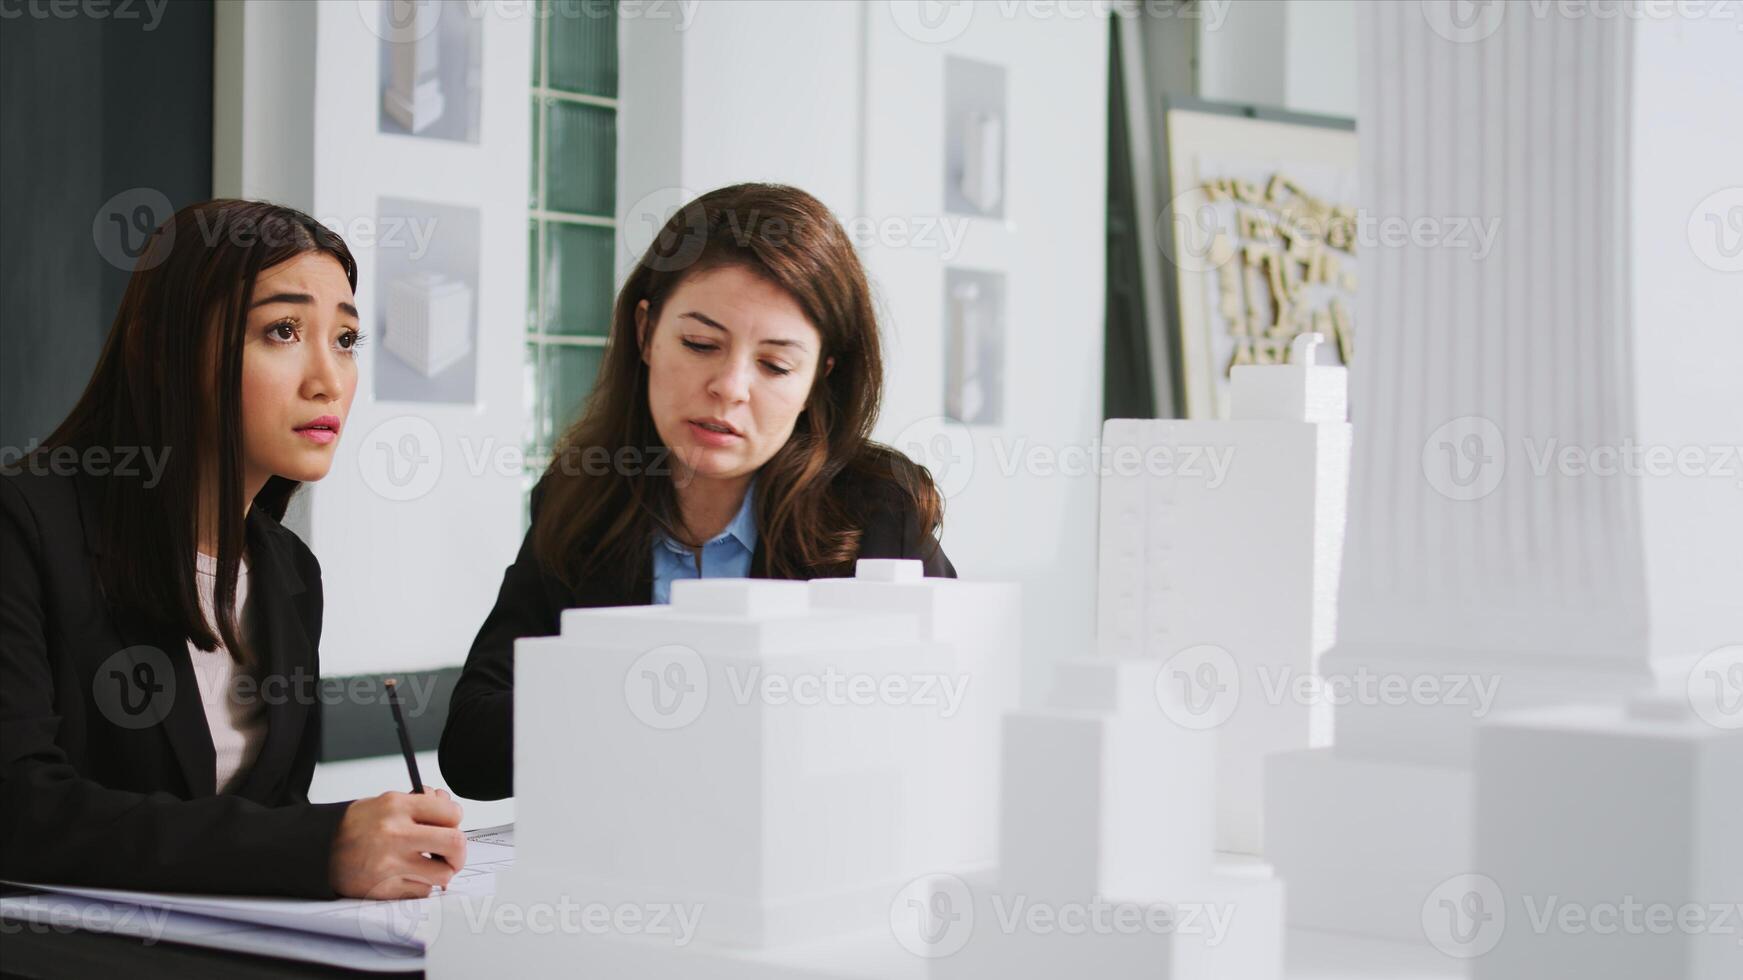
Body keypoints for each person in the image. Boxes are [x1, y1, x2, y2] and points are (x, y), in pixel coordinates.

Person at [0, 200, 465, 898]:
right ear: (162, 352)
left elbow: (265, 822)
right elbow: (22, 813)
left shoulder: (288, 573)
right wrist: (320, 848)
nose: (328, 380)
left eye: (345, 340)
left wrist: (370, 848)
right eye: (282, 331)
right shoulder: (25, 527)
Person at [440, 183, 956, 801]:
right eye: (701, 345)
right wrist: (649, 703)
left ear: (822, 375)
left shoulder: (876, 514)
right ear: (646, 331)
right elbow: (471, 748)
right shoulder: (582, 497)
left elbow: (948, 722)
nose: (730, 387)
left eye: (775, 365)